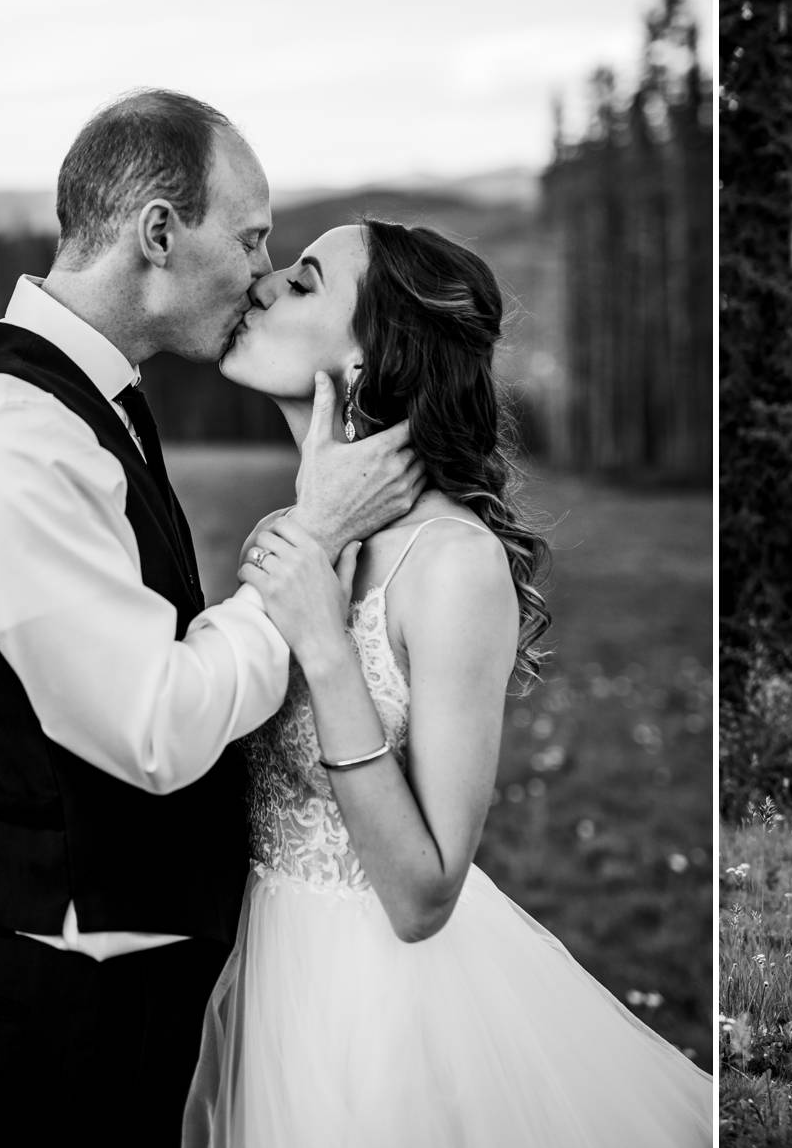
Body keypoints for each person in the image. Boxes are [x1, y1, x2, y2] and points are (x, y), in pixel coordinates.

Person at [0, 89, 422, 1147]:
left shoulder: (88, 404)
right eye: (251, 235)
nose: (261, 270)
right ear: (158, 232)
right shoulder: (10, 435)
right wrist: (310, 542)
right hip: (77, 1015)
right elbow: (153, 725)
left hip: (147, 990)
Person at [181, 218, 712, 1146]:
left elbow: (425, 894)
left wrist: (326, 643)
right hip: (257, 976)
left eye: (303, 283)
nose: (262, 284)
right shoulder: (301, 528)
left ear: (370, 356)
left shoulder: (452, 563)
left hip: (377, 1016)